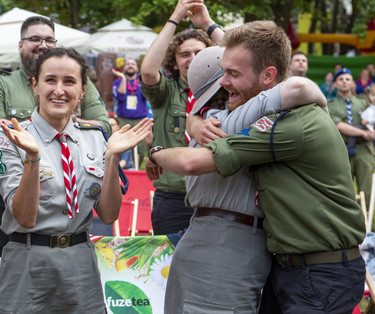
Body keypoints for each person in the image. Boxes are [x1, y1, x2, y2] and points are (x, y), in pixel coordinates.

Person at [150, 20, 366, 314]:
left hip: (316, 271)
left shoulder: (282, 123)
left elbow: (193, 161)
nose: (227, 82)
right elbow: (258, 59)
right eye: (223, 75)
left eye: (232, 75)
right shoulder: (235, 118)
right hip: (286, 265)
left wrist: (156, 151)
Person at [0, 47, 152, 313]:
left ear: (82, 91)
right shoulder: (11, 137)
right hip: (29, 261)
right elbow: (25, 218)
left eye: (69, 81)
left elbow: (109, 215)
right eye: (50, 80)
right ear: (35, 86)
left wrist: (111, 158)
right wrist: (33, 157)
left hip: (80, 262)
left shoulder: (95, 137)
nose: (59, 90)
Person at [0, 16, 111, 257]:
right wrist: (60, 122)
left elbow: (102, 126)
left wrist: (63, 123)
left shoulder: (82, 83)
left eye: (49, 39)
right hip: (10, 196)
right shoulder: (1, 83)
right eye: (35, 39)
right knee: (0, 267)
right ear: (20, 45)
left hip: (70, 198)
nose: (43, 44)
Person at [139, 0, 214, 235]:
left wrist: (208, 24)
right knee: (168, 269)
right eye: (185, 54)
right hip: (172, 200)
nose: (192, 58)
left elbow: (243, 56)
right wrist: (175, 17)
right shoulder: (165, 91)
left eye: (199, 53)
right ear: (175, 61)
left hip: (213, 198)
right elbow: (149, 71)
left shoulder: (225, 93)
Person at [328, 67, 375, 208]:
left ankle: (368, 226)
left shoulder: (364, 102)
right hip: (341, 150)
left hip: (364, 150)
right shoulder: (329, 105)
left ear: (353, 83)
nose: (344, 82)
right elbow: (339, 126)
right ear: (335, 84)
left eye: (347, 79)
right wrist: (362, 133)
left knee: (367, 190)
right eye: (340, 79)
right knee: (343, 192)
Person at [112, 58, 148, 166]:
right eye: (128, 64)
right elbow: (121, 97)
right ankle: (126, 168)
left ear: (137, 68)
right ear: (124, 68)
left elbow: (147, 96)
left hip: (140, 120)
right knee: (123, 147)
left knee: (141, 149)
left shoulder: (142, 81)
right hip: (123, 120)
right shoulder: (117, 82)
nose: (130, 66)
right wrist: (123, 78)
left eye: (133, 64)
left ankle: (135, 167)